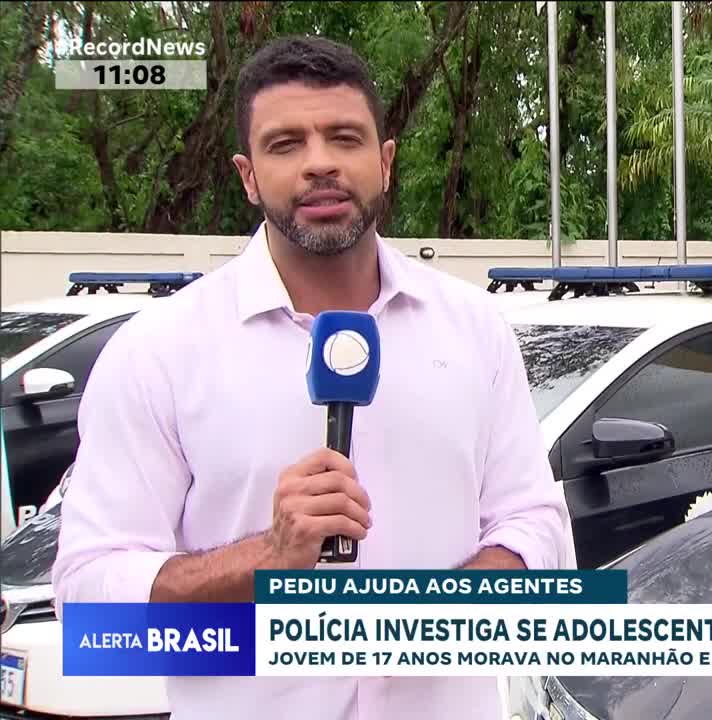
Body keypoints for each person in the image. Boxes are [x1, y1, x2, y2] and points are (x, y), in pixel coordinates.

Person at [51, 36, 570, 720]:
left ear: (384, 162)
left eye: (344, 137)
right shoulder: (159, 351)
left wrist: (436, 614)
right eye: (285, 143)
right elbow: (87, 604)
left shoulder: (475, 330)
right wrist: (265, 560)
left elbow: (537, 529)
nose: (319, 163)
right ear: (246, 175)